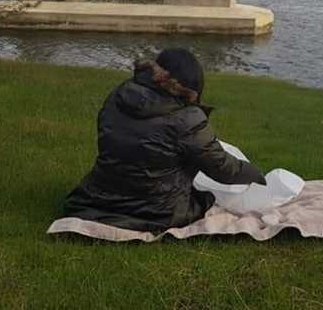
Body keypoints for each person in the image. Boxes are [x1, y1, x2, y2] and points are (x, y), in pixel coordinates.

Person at [63, 48, 266, 232]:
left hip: (98, 196)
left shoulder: (120, 92)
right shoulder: (186, 117)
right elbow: (222, 167)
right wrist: (256, 174)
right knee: (206, 199)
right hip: (158, 210)